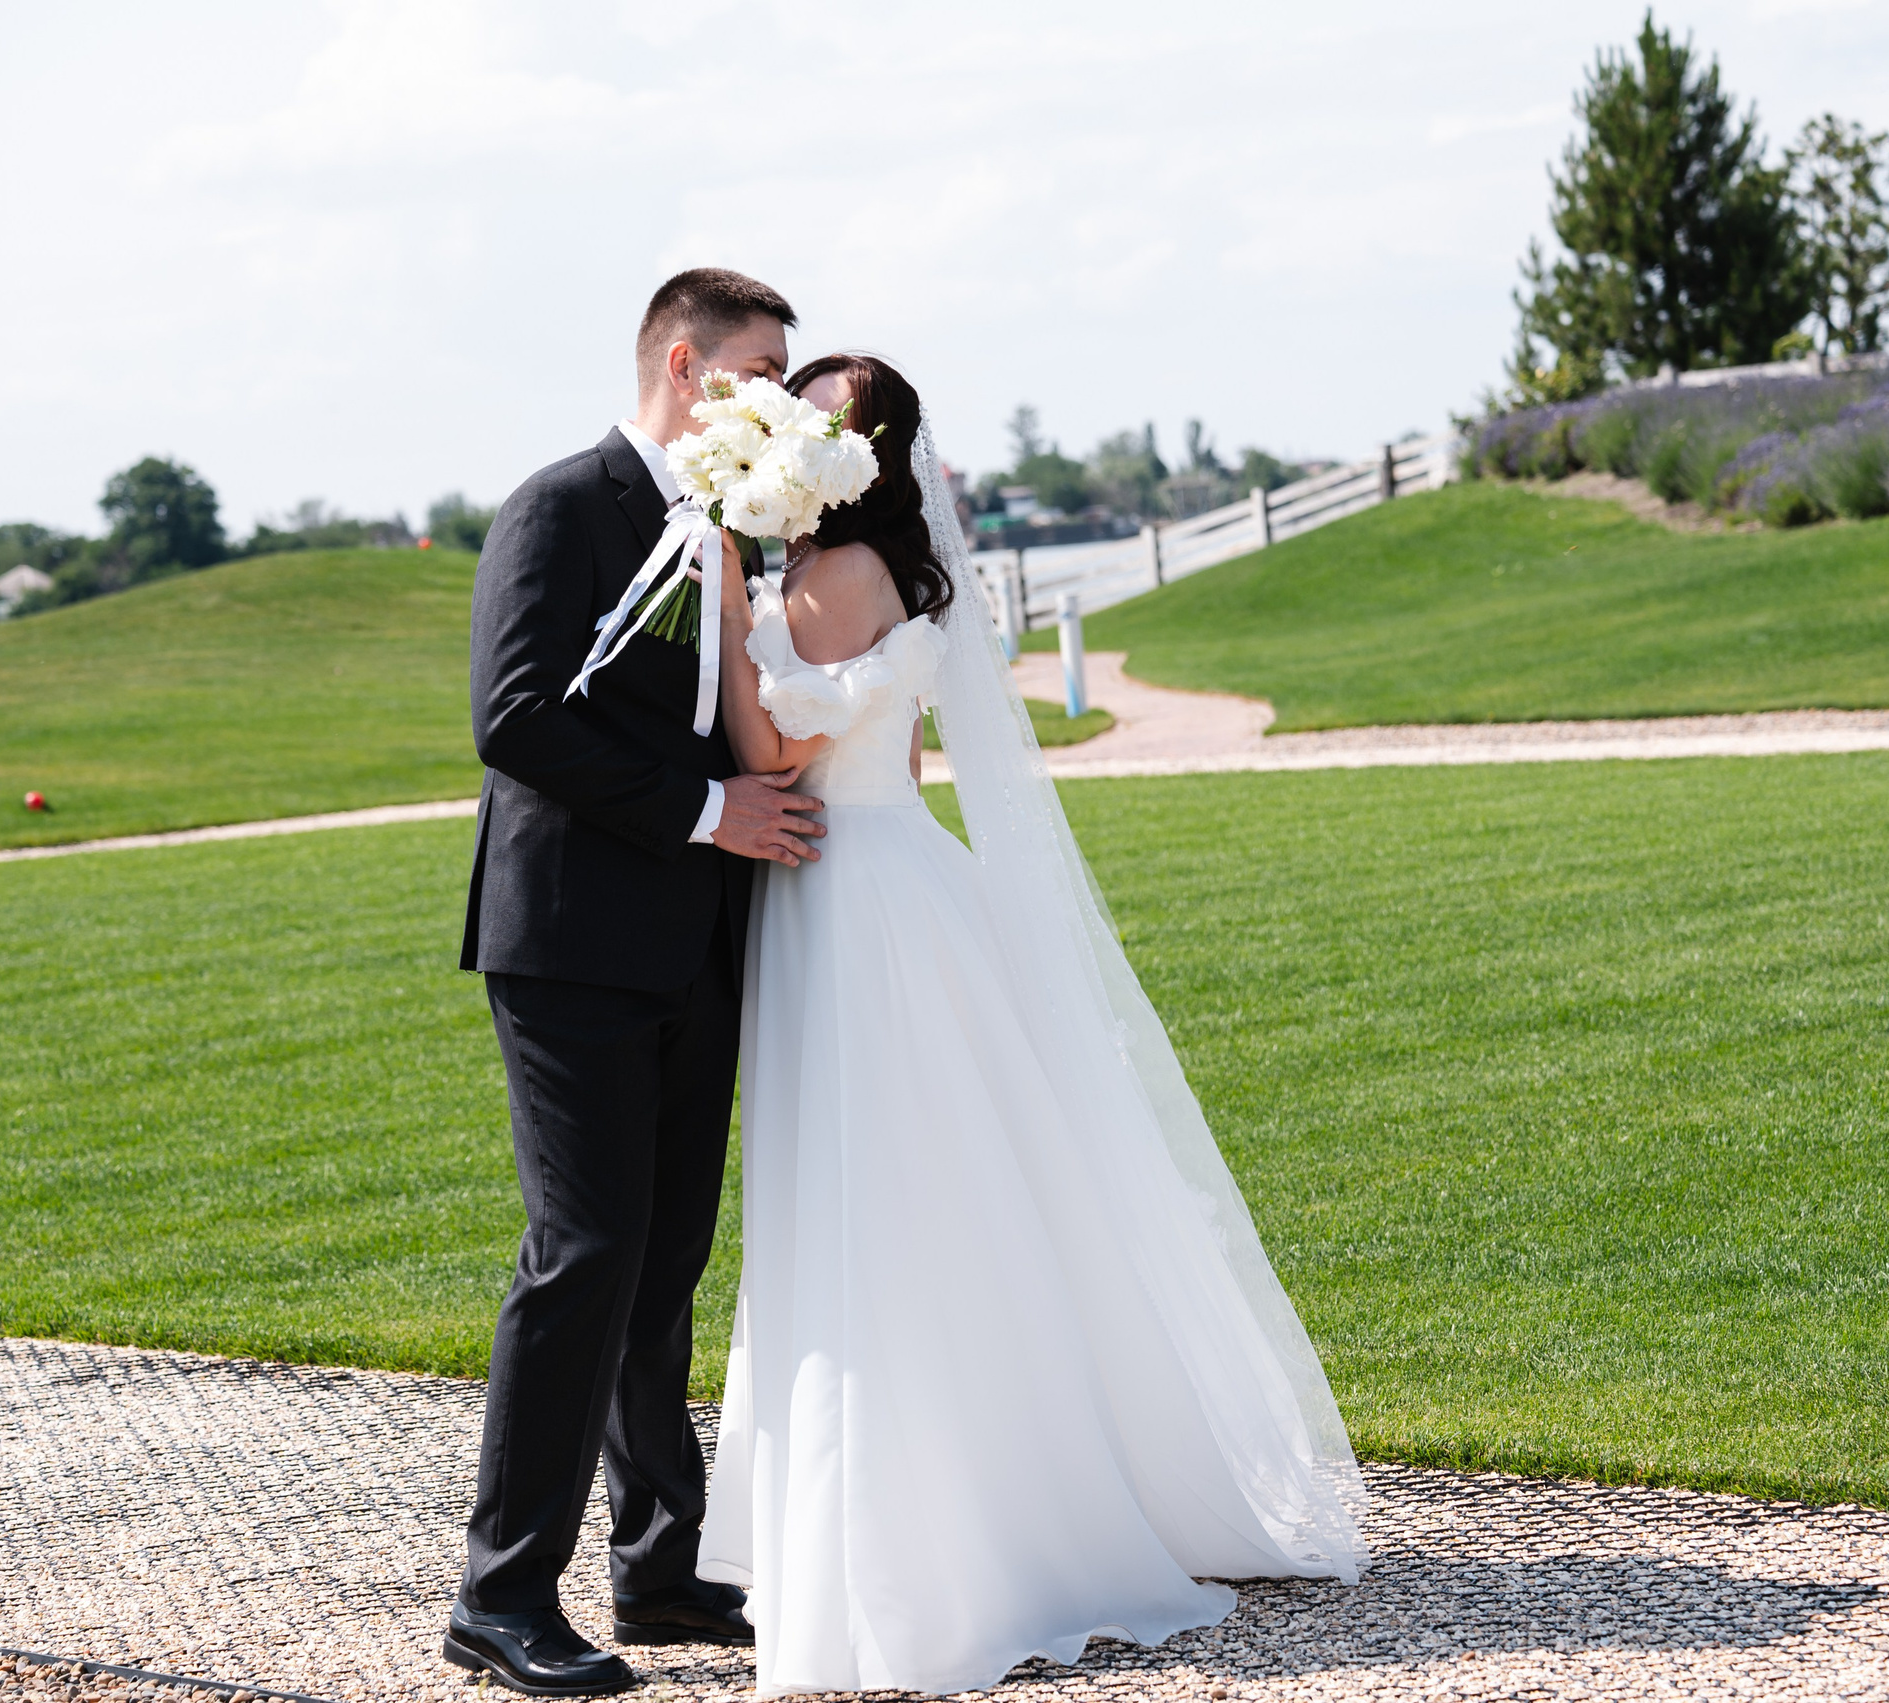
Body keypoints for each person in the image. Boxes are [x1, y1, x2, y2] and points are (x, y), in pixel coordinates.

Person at [697, 353, 1366, 1697]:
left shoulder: (829, 576)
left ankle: (916, 1548)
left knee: (872, 1199)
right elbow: (897, 750)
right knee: (931, 1188)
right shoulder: (872, 572)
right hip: (885, 872)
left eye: (805, 422)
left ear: (844, 457)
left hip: (850, 898)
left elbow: (777, 754)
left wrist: (723, 595)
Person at [446, 269, 829, 1697]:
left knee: (668, 1259)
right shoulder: (561, 507)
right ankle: (499, 1596)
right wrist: (711, 812)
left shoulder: (733, 523)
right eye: (760, 370)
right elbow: (515, 716)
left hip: (698, 942)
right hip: (570, 943)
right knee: (587, 1253)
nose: (780, 398)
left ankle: (660, 1569)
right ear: (684, 365)